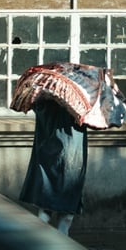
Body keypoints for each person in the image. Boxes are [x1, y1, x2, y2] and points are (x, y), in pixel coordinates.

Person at [19, 97, 87, 236]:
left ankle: (45, 242)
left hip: (56, 150)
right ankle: (52, 243)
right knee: (59, 207)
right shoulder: (76, 94)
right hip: (67, 150)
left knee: (49, 206)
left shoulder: (44, 94)